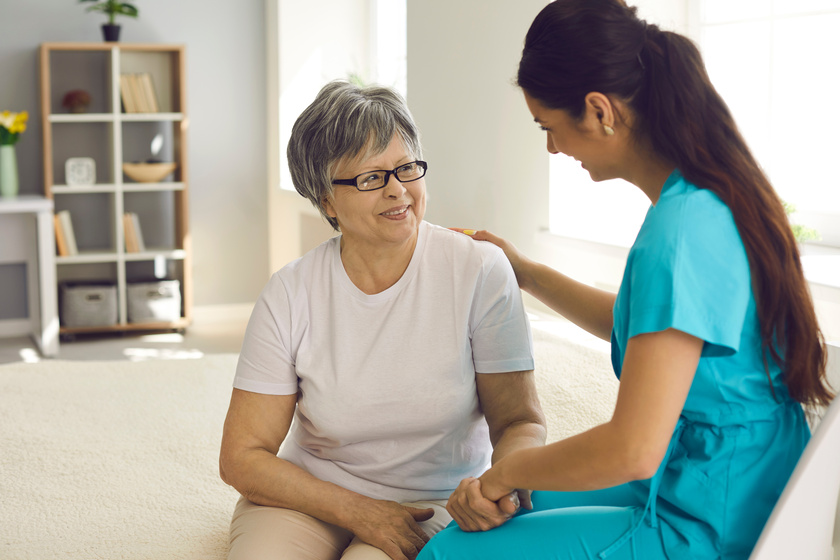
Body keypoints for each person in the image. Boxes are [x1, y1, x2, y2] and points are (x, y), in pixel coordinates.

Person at [417, 1, 835, 559]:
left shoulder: (681, 231)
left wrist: (504, 470)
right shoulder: (704, 198)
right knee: (518, 504)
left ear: (598, 110)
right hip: (729, 470)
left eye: (549, 126)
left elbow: (634, 447)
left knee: (451, 552)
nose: (552, 147)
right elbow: (648, 324)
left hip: (716, 514)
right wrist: (526, 272)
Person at [218, 80, 546, 560]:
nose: (399, 191)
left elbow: (519, 420)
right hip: (313, 494)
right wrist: (358, 510)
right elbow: (242, 457)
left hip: (436, 499)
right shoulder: (290, 292)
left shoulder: (478, 269)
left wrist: (501, 484)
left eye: (407, 169)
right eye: (372, 178)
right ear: (327, 202)